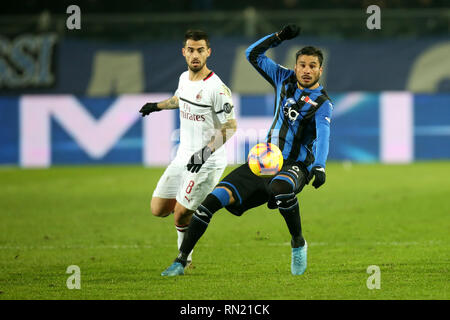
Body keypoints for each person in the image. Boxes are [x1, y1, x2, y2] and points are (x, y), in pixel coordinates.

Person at [161, 24, 333, 276]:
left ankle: (297, 242)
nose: (306, 70)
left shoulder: (323, 103)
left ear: (320, 69)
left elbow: (324, 135)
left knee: (281, 187)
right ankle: (180, 261)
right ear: (295, 66)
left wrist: (319, 166)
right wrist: (278, 37)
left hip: (296, 164)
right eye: (302, 65)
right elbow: (253, 54)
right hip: (264, 160)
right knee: (211, 201)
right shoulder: (283, 78)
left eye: (312, 66)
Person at [140, 29, 237, 267]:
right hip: (183, 155)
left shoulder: (217, 88)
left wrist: (205, 153)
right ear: (184, 52)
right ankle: (197, 202)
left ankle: (185, 258)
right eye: (191, 50)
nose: (195, 55)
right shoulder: (184, 78)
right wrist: (157, 106)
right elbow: (178, 100)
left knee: (181, 212)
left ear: (208, 52)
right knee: (158, 208)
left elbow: (231, 126)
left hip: (207, 160)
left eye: (200, 50)